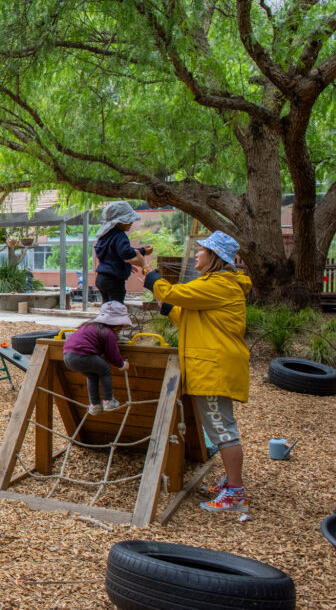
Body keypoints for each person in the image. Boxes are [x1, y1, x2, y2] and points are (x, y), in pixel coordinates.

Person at [143, 230, 251, 514]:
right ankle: (231, 482)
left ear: (214, 256)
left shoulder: (220, 284)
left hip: (214, 368)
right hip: (211, 366)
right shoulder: (213, 285)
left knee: (222, 430)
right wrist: (166, 307)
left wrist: (149, 274)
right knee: (220, 428)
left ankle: (236, 494)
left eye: (202, 250)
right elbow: (188, 317)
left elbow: (172, 292)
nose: (197, 254)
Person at [62, 301, 131, 415]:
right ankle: (108, 401)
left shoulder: (90, 327)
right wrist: (122, 365)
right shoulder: (108, 333)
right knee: (105, 370)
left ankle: (95, 405)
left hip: (68, 356)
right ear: (117, 324)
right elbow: (112, 354)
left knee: (92, 375)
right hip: (82, 355)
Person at [93, 201, 153, 303]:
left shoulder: (105, 236)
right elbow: (125, 252)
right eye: (129, 220)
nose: (131, 222)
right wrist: (143, 251)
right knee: (117, 309)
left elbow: (112, 255)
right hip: (114, 281)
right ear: (118, 222)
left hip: (101, 278)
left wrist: (124, 264)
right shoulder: (120, 235)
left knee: (107, 308)